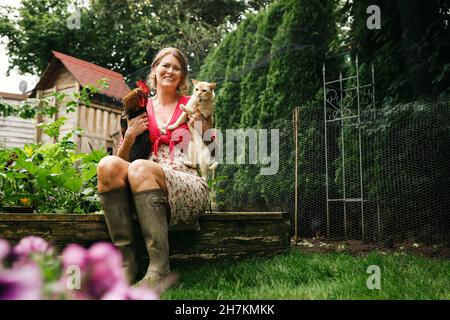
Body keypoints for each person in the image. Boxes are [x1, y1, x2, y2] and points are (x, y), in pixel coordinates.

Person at [97, 47, 213, 288]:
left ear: (183, 76)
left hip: (185, 177)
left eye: (177, 68)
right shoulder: (140, 106)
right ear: (154, 70)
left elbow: (213, 149)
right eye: (165, 66)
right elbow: (123, 161)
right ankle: (127, 264)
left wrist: (200, 125)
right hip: (144, 174)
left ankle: (160, 269)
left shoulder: (192, 104)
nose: (170, 71)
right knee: (107, 163)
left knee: (141, 167)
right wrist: (129, 136)